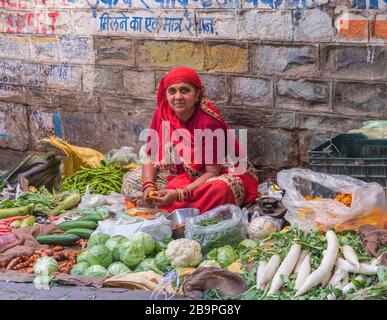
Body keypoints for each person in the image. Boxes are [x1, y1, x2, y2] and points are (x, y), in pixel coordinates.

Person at [141, 67, 259, 213]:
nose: (177, 97)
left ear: (197, 94)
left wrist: (180, 193)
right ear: (166, 95)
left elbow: (212, 171)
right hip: (179, 172)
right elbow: (150, 156)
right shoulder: (163, 113)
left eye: (184, 90)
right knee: (131, 180)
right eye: (172, 91)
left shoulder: (208, 122)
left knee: (221, 189)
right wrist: (148, 186)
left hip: (216, 171)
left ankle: (175, 207)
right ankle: (176, 206)